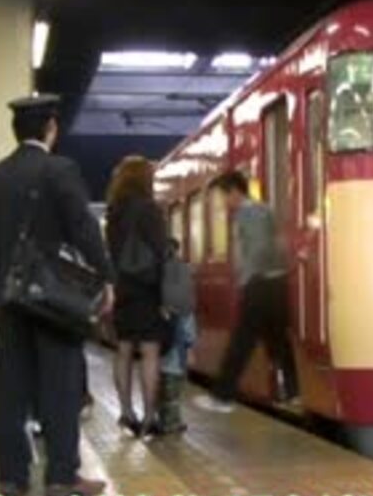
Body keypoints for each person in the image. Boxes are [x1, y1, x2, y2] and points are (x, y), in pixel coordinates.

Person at [0, 94, 114, 496]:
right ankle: (60, 477)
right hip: (55, 298)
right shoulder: (60, 170)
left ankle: (11, 478)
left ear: (16, 131)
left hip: (10, 297)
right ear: (51, 128)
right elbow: (84, 229)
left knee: (12, 387)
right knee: (60, 385)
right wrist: (106, 278)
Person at [194, 170, 298, 413]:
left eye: (223, 196)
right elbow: (278, 244)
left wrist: (247, 279)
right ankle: (294, 392)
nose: (223, 203)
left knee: (242, 340)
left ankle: (222, 397)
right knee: (278, 341)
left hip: (260, 283)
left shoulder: (248, 212)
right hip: (275, 283)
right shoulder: (263, 209)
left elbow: (258, 248)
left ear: (233, 191)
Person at [105, 156, 169, 438]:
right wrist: (165, 294)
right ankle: (150, 417)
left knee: (124, 350)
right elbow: (160, 251)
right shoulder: (149, 209)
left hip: (122, 288)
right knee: (149, 352)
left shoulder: (113, 213)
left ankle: (126, 412)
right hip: (147, 288)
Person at [158, 236, 195, 433]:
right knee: (173, 386)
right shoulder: (180, 275)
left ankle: (161, 419)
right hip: (175, 343)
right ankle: (171, 422)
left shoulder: (154, 274)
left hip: (156, 344)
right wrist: (190, 344)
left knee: (161, 382)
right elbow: (187, 316)